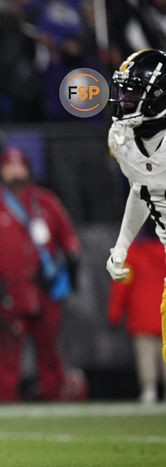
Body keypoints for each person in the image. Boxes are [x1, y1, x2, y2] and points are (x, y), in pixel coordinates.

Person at [0, 146, 81, 402]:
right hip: (8, 292)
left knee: (50, 353)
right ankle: (6, 405)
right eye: (9, 166)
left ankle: (54, 401)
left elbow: (68, 237)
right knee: (7, 357)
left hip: (45, 289)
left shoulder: (46, 202)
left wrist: (72, 263)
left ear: (27, 168)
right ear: (1, 170)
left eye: (19, 165)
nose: (15, 171)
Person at [106, 48, 166, 367]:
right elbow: (143, 188)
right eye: (124, 88)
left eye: (134, 90)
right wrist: (122, 245)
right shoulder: (121, 136)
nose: (125, 97)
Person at [107, 221, 166, 404]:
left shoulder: (133, 253)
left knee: (146, 354)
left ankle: (149, 389)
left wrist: (114, 313)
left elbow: (123, 282)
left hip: (143, 316)